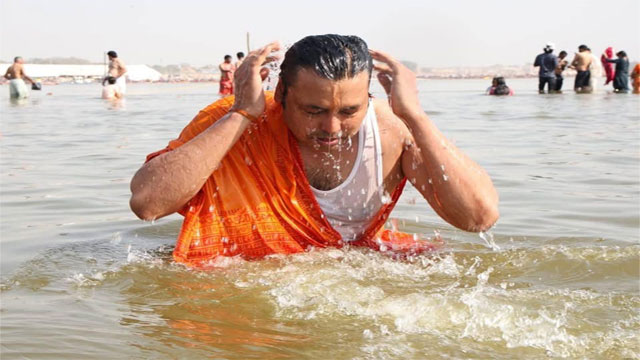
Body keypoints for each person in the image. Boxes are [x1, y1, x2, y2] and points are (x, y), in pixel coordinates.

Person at [129, 35, 499, 267]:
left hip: (351, 274)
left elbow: (478, 218)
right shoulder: (235, 121)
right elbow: (147, 205)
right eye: (314, 111)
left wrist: (415, 116)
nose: (332, 128)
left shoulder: (390, 129)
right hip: (252, 279)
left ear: (369, 97)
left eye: (349, 111)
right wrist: (242, 113)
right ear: (282, 96)